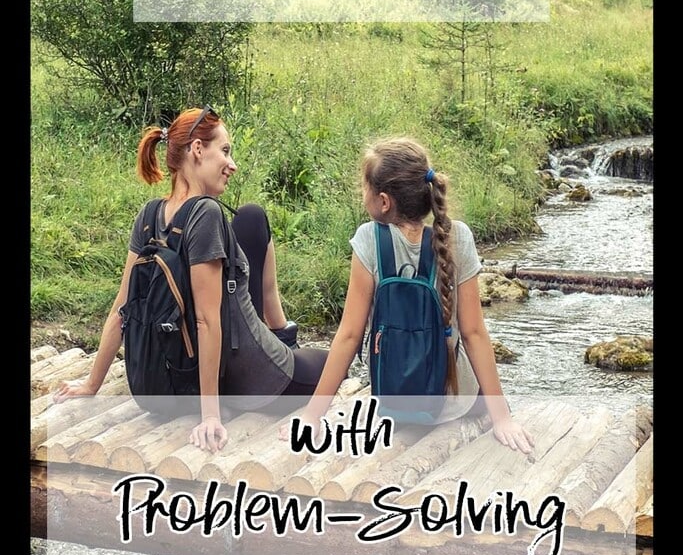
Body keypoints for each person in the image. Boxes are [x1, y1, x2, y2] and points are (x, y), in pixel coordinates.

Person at [53, 105, 329, 452]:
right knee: (332, 362)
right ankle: (284, 342)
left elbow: (120, 308)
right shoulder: (207, 214)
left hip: (173, 376)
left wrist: (93, 384)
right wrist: (210, 415)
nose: (232, 164)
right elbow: (206, 321)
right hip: (254, 380)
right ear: (197, 149)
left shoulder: (150, 215)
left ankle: (281, 334)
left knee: (249, 217)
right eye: (225, 151)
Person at [280, 136, 534, 454]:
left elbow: (348, 336)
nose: (363, 195)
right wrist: (503, 419)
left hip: (392, 400)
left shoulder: (369, 240)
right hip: (454, 404)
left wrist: (311, 416)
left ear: (384, 201)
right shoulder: (459, 237)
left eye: (364, 188)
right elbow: (473, 333)